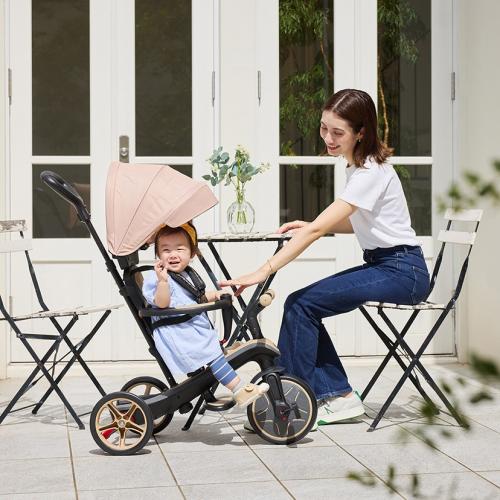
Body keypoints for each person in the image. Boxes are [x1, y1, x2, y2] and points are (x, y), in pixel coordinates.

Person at [219, 88, 430, 426]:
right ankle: (334, 396)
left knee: (302, 304)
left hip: (403, 272)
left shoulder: (369, 173)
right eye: (324, 128)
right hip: (389, 265)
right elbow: (363, 223)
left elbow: (318, 231)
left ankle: (295, 404)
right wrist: (312, 224)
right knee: (303, 303)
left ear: (361, 132)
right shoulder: (358, 167)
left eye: (338, 132)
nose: (328, 138)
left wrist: (262, 271)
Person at [142, 222, 269, 407]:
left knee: (215, 353)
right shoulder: (157, 277)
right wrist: (162, 282)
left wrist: (215, 295)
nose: (173, 254)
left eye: (179, 249)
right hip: (179, 335)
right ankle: (240, 390)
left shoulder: (186, 275)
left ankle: (222, 368)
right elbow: (162, 303)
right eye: (166, 250)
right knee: (214, 357)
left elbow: (196, 298)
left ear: (192, 253)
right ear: (158, 255)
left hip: (189, 330)